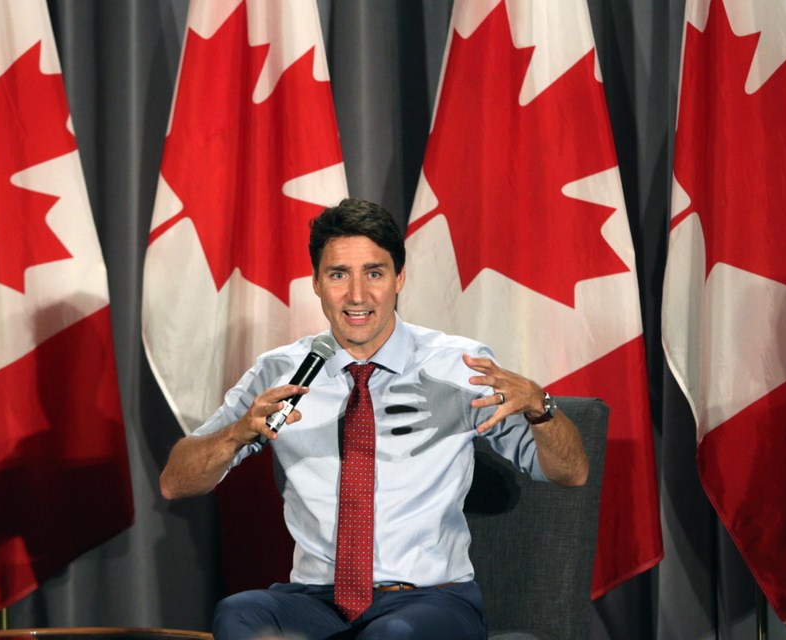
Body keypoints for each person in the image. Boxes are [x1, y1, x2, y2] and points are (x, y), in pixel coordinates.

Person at [160, 198, 589, 640]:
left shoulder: (459, 366)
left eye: (375, 273)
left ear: (399, 278)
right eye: (338, 275)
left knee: (392, 636)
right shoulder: (278, 372)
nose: (358, 296)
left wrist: (541, 410)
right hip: (314, 601)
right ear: (316, 283)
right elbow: (176, 482)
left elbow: (571, 472)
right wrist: (236, 433)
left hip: (431, 601)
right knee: (240, 614)